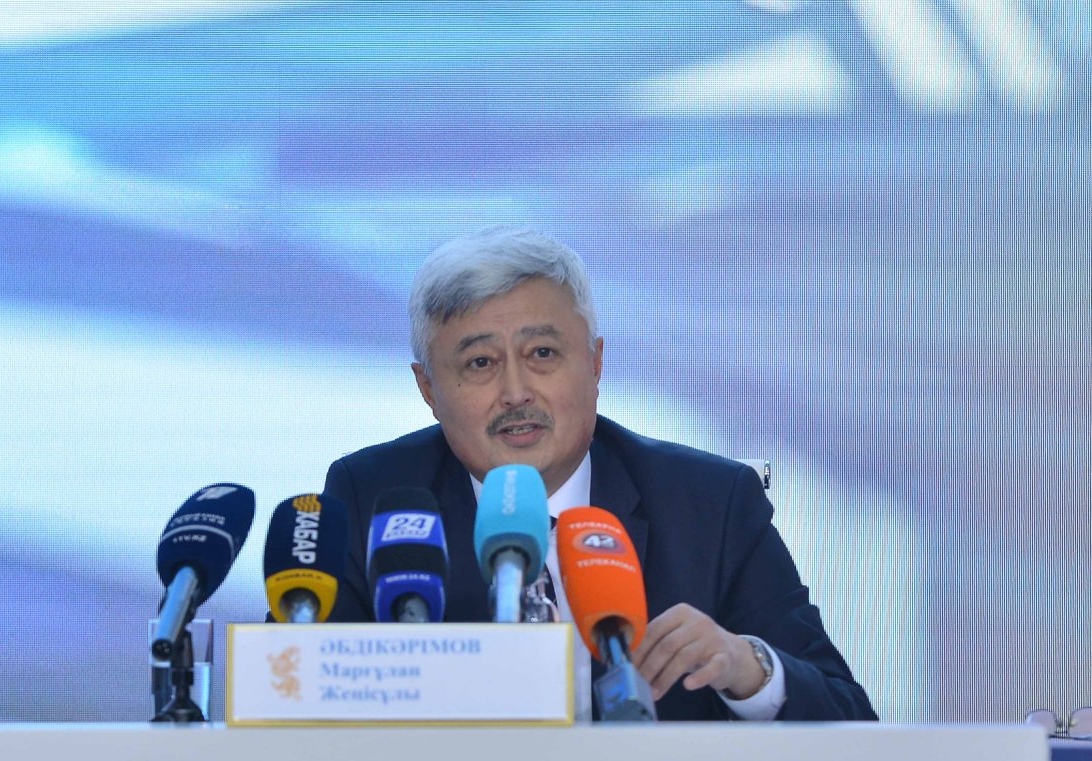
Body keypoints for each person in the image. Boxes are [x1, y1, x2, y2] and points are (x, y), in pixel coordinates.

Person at [323, 226, 877, 722]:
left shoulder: (711, 504)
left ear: (595, 363)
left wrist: (746, 667)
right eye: (480, 363)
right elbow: (305, 709)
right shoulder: (371, 498)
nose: (516, 392)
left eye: (543, 353)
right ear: (428, 389)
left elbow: (849, 720)